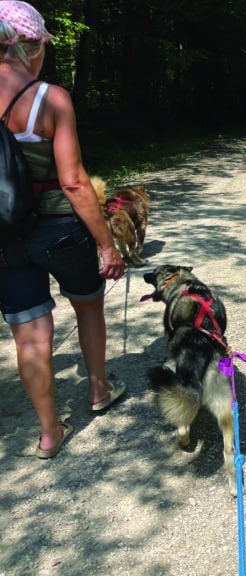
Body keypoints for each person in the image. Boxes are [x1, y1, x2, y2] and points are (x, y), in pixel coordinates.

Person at [0, 1, 126, 459]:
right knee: (89, 307)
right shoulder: (49, 98)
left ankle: (50, 432)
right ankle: (98, 389)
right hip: (58, 231)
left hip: (5, 240)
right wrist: (107, 245)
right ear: (30, 46)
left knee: (29, 337)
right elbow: (73, 182)